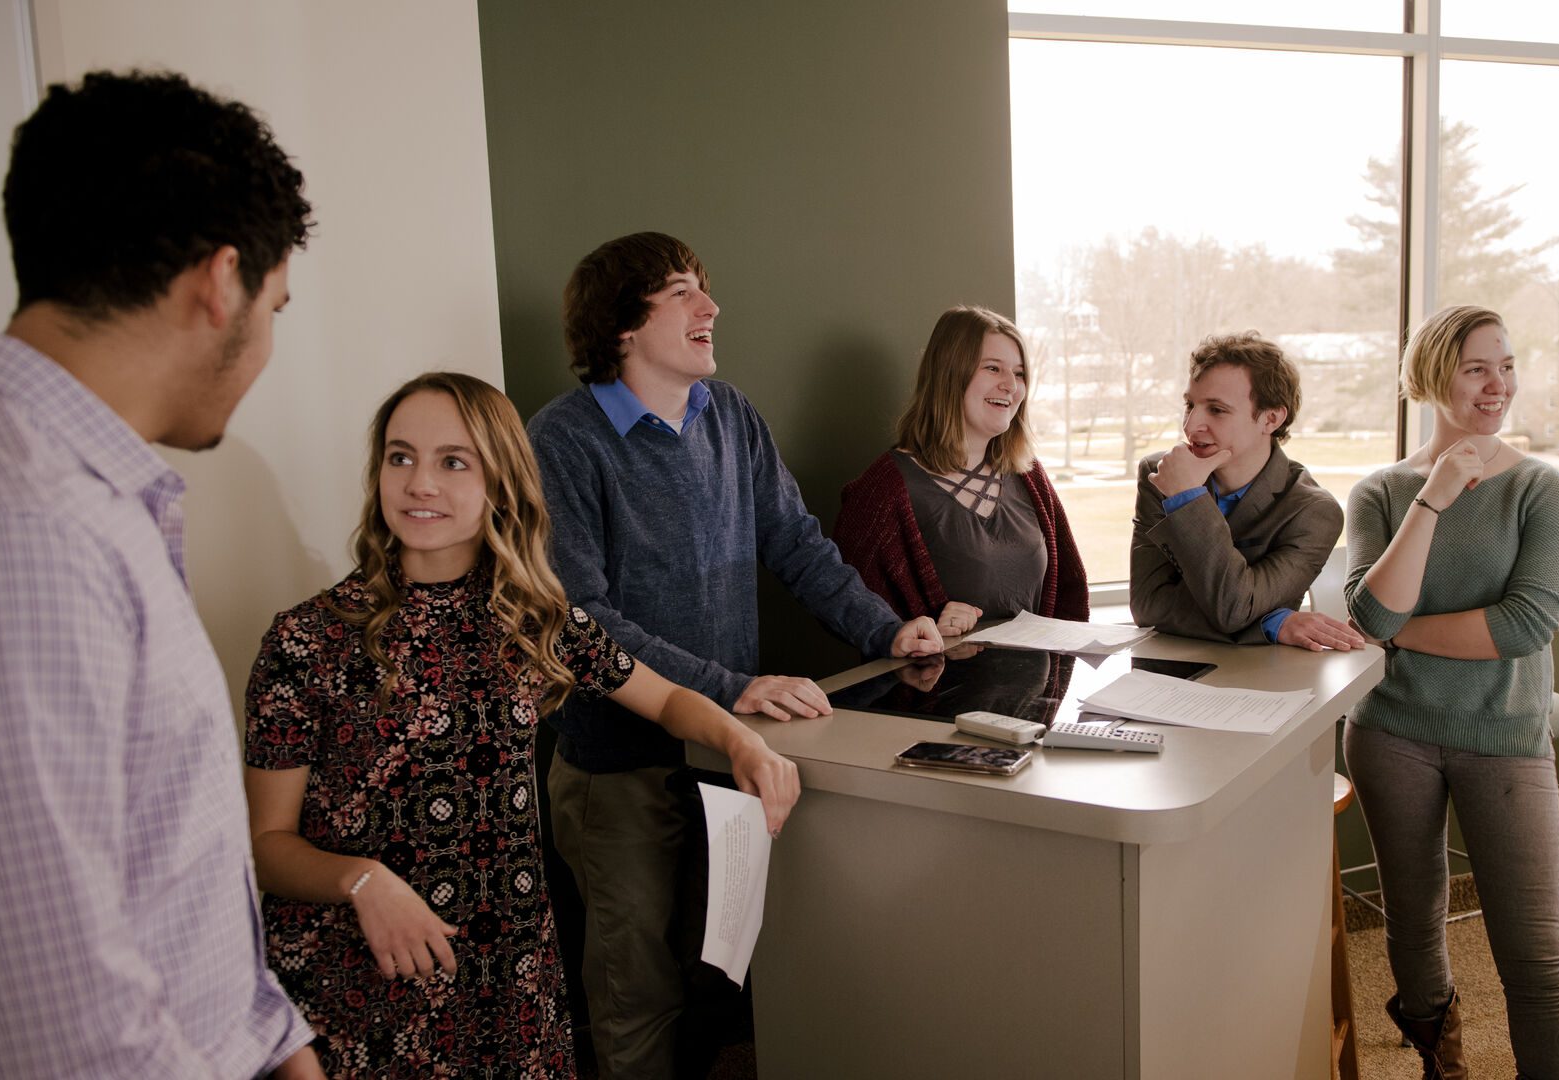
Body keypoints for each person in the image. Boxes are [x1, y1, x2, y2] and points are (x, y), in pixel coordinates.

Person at [0, 70, 322, 1077]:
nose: (266, 342)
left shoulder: (59, 488)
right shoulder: (23, 536)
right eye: (275, 306)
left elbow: (159, 866)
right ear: (219, 284)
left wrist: (279, 1041)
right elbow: (57, 1038)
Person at [242, 373, 800, 1077]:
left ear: (500, 482)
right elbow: (266, 844)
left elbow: (663, 700)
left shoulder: (533, 621)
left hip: (507, 975)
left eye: (453, 461)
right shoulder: (307, 641)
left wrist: (741, 740)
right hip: (362, 981)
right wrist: (362, 881)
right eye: (400, 456)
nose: (419, 483)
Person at [527, 232, 944, 1078]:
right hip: (621, 775)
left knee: (722, 987)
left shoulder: (733, 417)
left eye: (703, 292)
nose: (710, 309)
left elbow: (796, 543)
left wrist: (886, 629)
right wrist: (734, 690)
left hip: (728, 762)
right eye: (683, 292)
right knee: (638, 1001)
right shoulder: (560, 442)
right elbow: (584, 622)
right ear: (621, 324)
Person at [1343, 305, 1559, 1079]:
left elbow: (1523, 626)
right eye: (1478, 367)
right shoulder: (1381, 492)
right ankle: (1439, 1062)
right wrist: (1434, 496)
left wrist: (1393, 630)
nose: (1498, 385)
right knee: (1413, 928)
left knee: (1535, 956)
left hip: (1505, 735)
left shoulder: (1544, 491)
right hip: (1390, 734)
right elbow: (1373, 610)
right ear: (1433, 373)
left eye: (1507, 366)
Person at [832, 305, 1088, 636]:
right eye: (993, 368)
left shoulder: (1030, 475)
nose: (1010, 385)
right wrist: (923, 625)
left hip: (1036, 685)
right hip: (937, 685)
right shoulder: (884, 490)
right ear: (950, 374)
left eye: (1020, 373)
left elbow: (1070, 595)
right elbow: (854, 614)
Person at [1130, 331, 1362, 651]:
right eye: (1190, 405)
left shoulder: (1313, 511)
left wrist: (1188, 498)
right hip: (1168, 669)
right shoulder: (1160, 476)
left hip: (1261, 679)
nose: (1190, 425)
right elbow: (1147, 606)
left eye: (1216, 410)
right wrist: (1271, 623)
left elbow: (1234, 610)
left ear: (1271, 418)